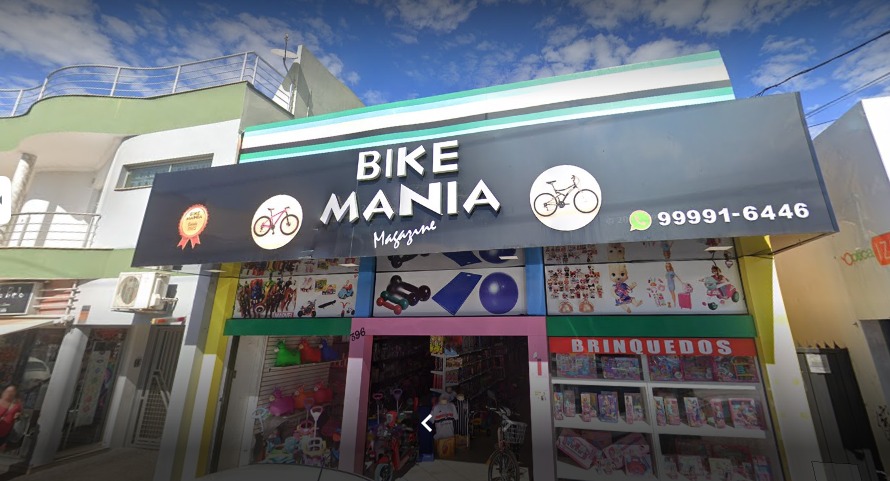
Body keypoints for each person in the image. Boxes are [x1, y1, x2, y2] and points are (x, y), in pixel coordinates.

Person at [0, 385, 23, 451]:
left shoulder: (16, 406)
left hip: (4, 434)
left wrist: (18, 416)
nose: (9, 394)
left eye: (11, 392)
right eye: (8, 391)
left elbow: (17, 420)